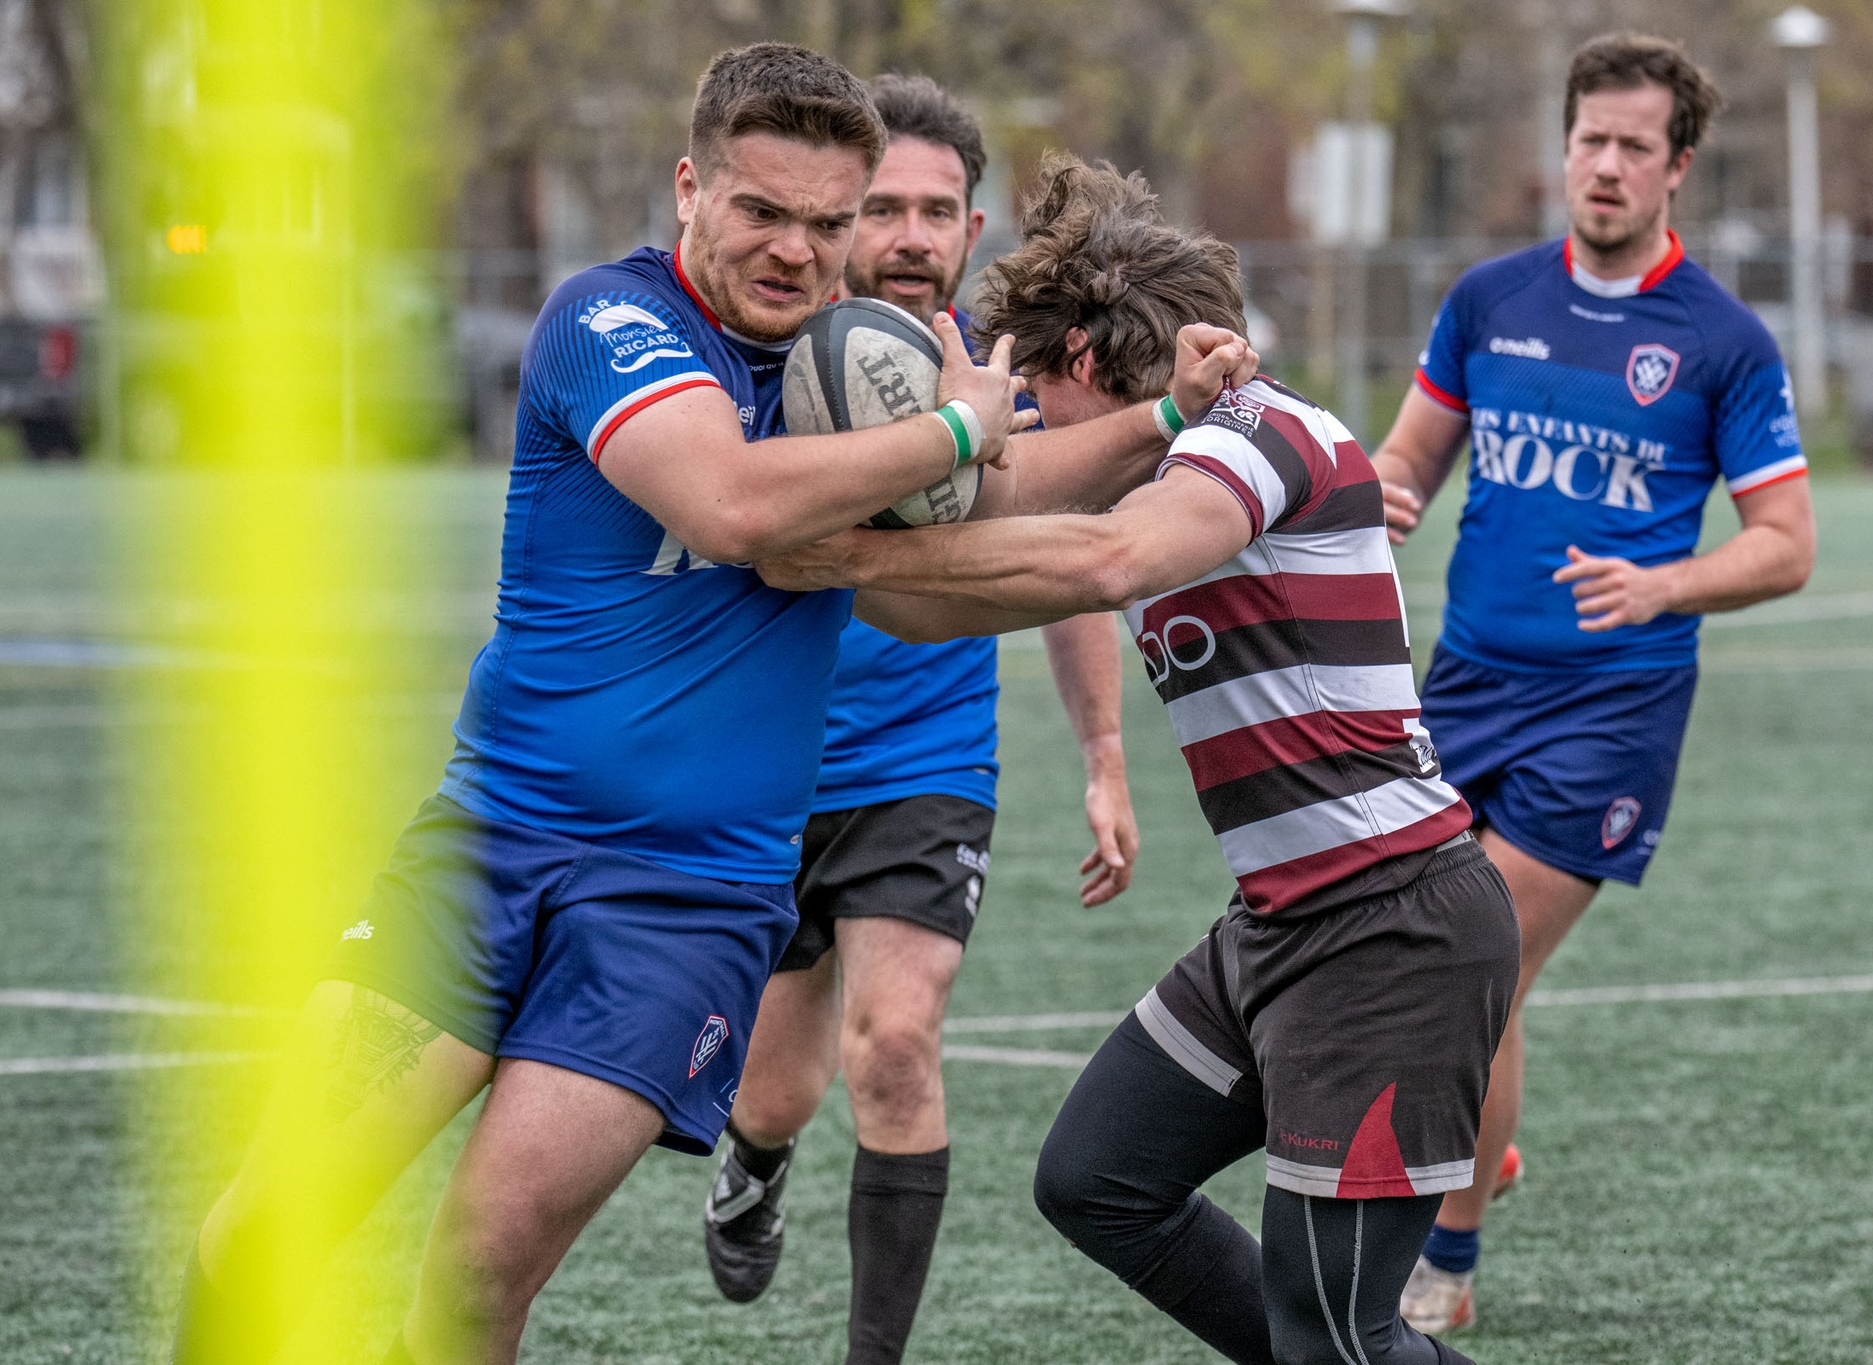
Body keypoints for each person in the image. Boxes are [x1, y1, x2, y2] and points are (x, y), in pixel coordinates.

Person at [167, 44, 1042, 1365]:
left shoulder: (865, 374)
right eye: (760, 210)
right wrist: (960, 436)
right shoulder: (609, 320)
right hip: (486, 852)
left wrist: (1163, 422)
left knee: (473, 1287)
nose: (795, 251)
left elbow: (1024, 529)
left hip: (683, 907)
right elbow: (732, 506)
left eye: (826, 222)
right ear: (690, 187)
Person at [755, 154, 1521, 1365]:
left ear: (1073, 366)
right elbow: (933, 606)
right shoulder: (1163, 456)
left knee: (1336, 1330)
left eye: (1022, 402)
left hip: (1392, 928)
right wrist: (832, 536)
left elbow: (1105, 562)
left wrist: (855, 555)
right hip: (1277, 926)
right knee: (1097, 1178)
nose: (1015, 440)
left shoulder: (1255, 434)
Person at [702, 76, 1244, 1365]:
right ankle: (756, 1155)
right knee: (778, 1086)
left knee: (895, 1042)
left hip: (926, 763)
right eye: (876, 206)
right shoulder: (771, 351)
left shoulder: (989, 377)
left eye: (931, 209)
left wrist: (1106, 763)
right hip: (770, 764)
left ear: (968, 225)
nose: (901, 233)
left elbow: (1059, 556)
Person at [1370, 33, 1816, 1335]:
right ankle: (1481, 1148)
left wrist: (1666, 584)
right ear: (1563, 150)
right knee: (1425, 955)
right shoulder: (1489, 301)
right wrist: (1382, 498)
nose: (1606, 166)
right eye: (1590, 141)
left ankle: (1446, 1259)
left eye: (1634, 146)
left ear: (1677, 167)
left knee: (1476, 951)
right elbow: (1408, 461)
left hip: (1615, 704)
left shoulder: (1721, 342)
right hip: (1465, 683)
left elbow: (1786, 545)